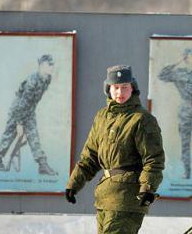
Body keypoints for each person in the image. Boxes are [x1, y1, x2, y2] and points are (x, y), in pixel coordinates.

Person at [65, 65, 165, 234]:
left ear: (132, 88)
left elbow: (154, 159)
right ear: (108, 89)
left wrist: (148, 188)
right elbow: (90, 156)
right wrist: (74, 184)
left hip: (127, 196)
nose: (120, 92)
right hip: (105, 195)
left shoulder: (142, 119)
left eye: (125, 87)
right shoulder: (102, 117)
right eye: (116, 88)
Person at [0, 54, 57, 175]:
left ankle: (42, 165)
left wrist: (28, 116)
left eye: (52, 65)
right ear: (42, 66)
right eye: (49, 65)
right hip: (18, 110)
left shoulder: (47, 79)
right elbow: (23, 103)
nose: (52, 68)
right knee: (9, 135)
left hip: (29, 110)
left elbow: (32, 102)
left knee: (34, 137)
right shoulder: (32, 81)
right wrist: (19, 123)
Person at [158, 48, 192, 180]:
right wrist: (178, 62)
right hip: (185, 111)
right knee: (185, 141)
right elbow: (162, 75)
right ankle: (186, 170)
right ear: (186, 58)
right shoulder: (178, 73)